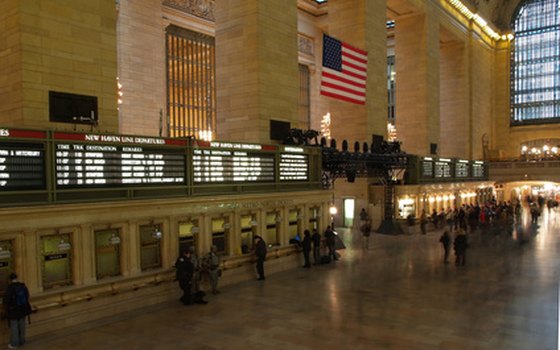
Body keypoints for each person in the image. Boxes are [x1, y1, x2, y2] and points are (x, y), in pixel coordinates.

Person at [3, 273, 32, 349]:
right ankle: (22, 341)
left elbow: (6, 300)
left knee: (14, 327)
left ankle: (14, 343)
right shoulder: (22, 285)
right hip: (23, 309)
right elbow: (27, 296)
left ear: (10, 279)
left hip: (14, 311)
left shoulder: (10, 288)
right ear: (17, 278)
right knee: (22, 325)